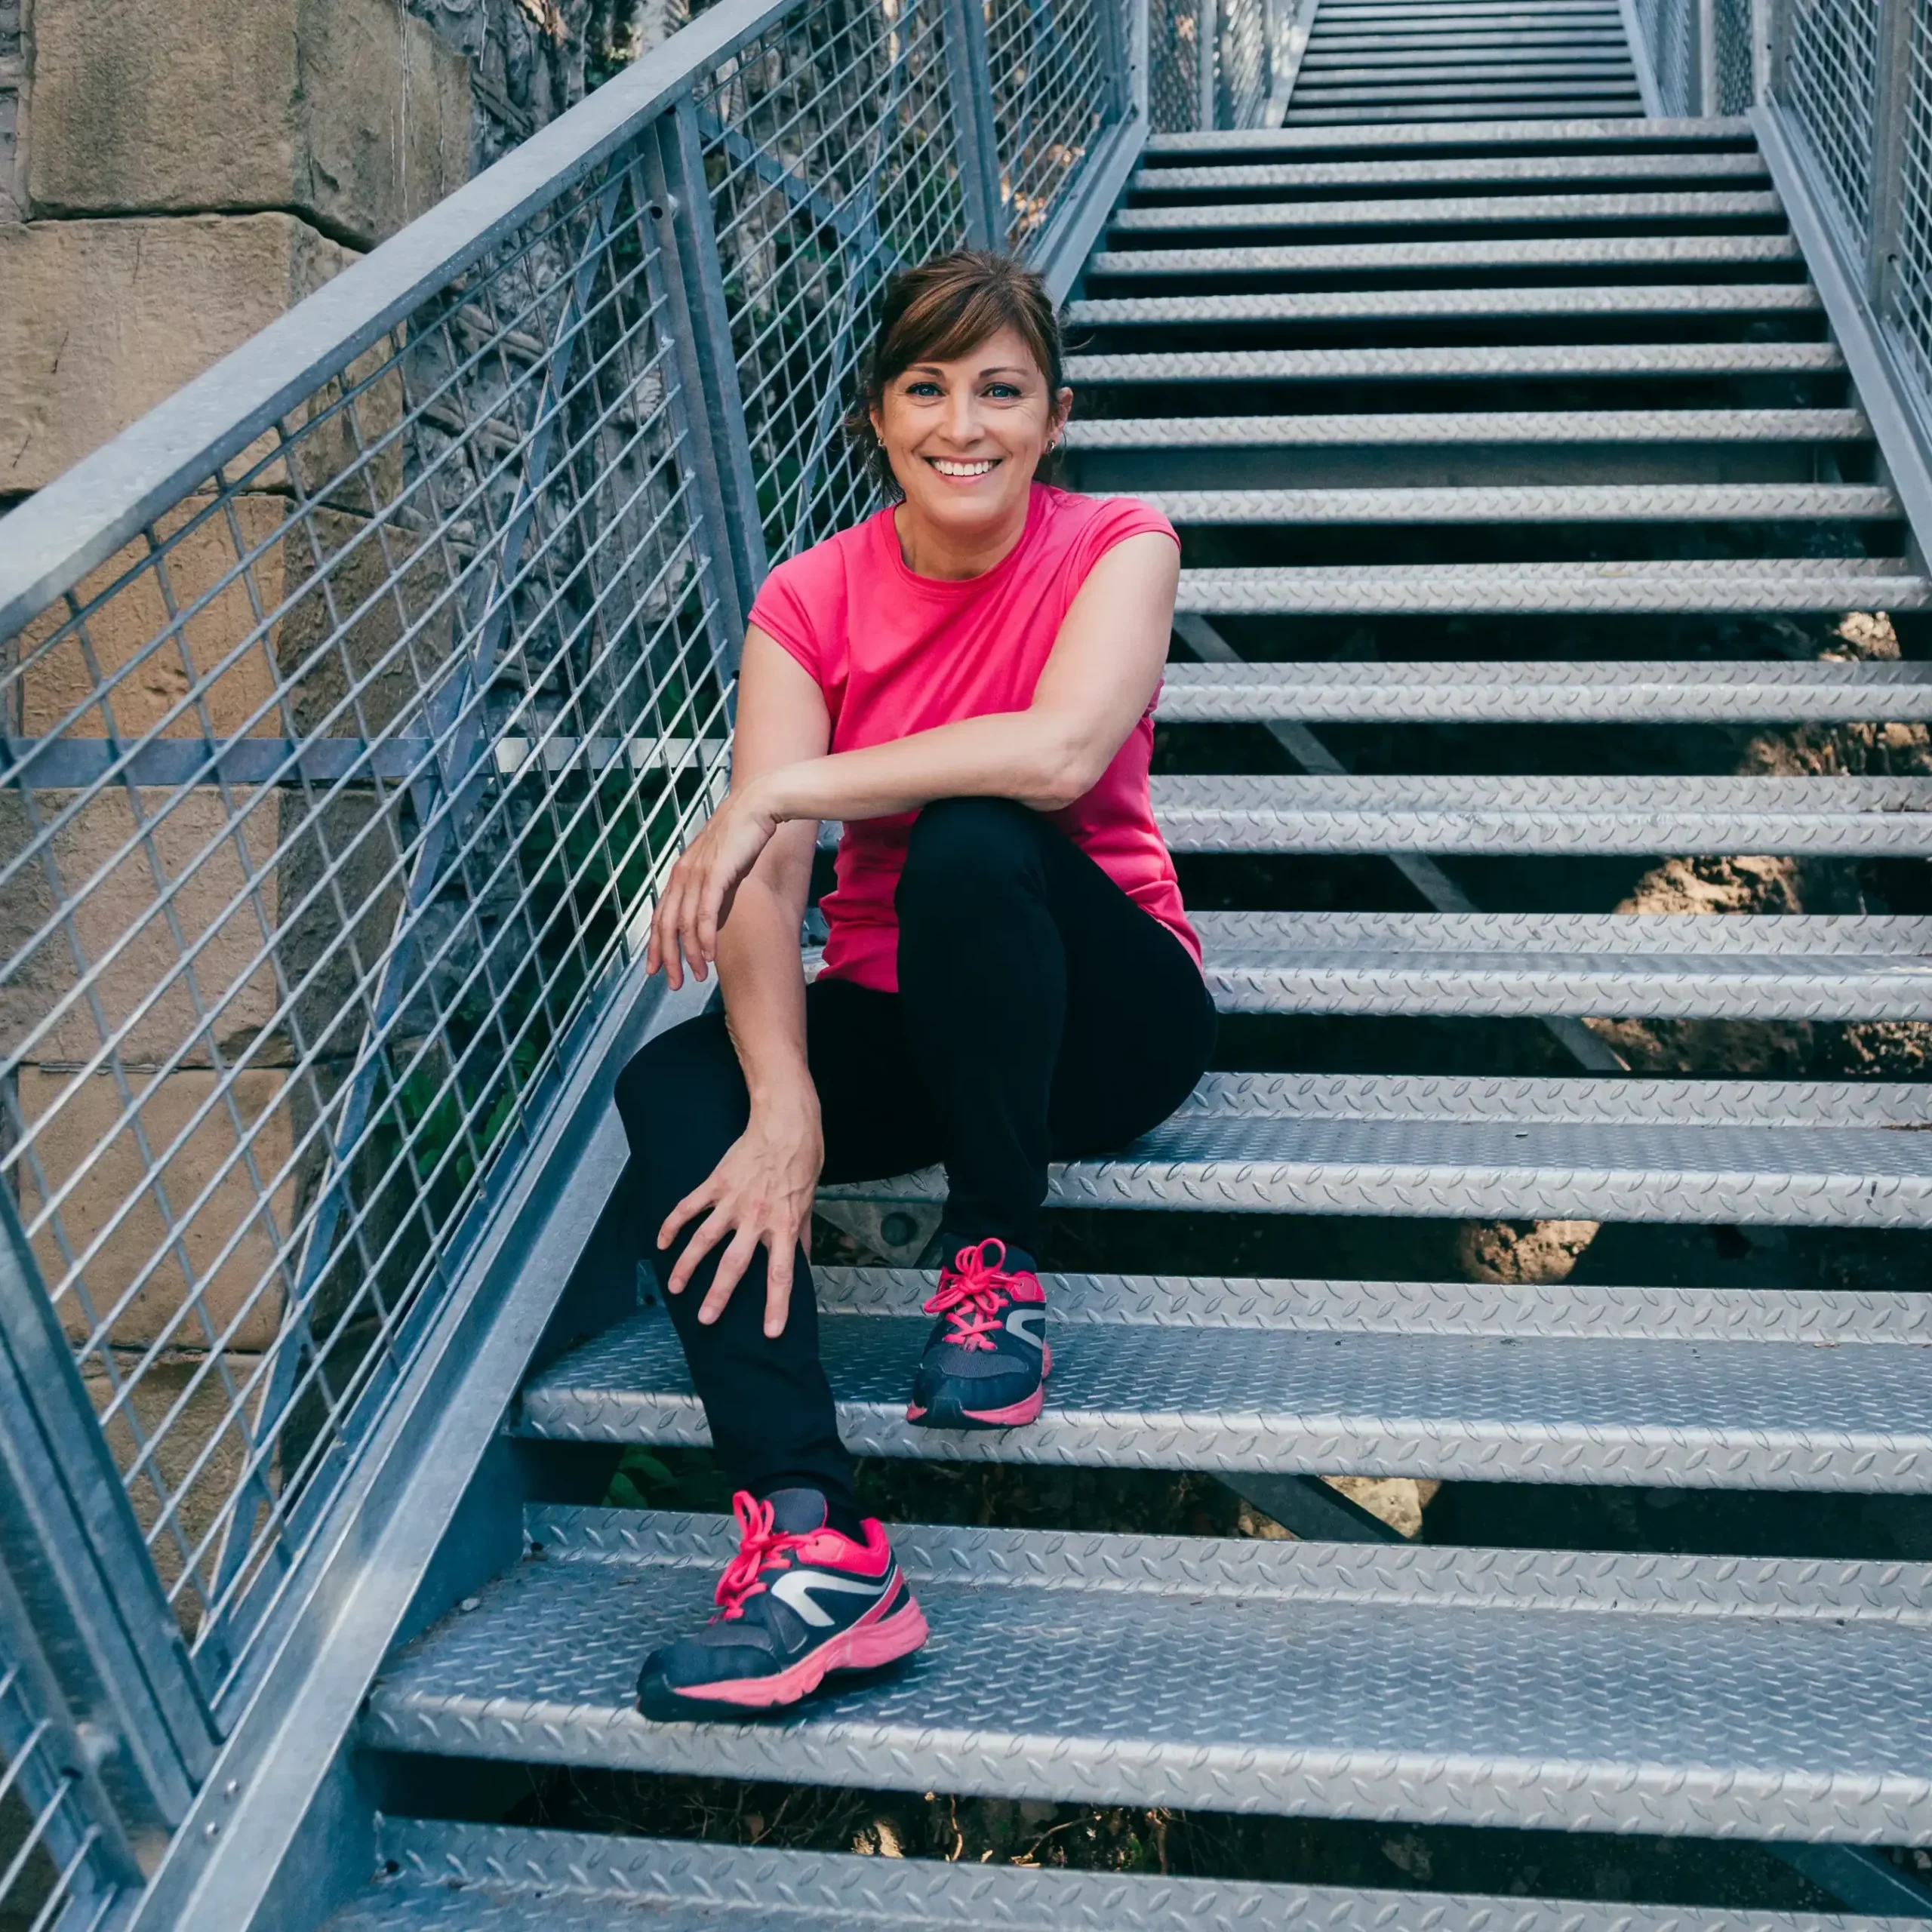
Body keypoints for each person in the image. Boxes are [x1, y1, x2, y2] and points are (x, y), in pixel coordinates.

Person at [618, 250, 1216, 1721]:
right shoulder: (809, 594)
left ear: (1053, 415)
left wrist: (786, 785)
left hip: (1104, 1016)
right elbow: (764, 879)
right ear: (877, 418)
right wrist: (783, 1097)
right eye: (926, 386)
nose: (965, 421)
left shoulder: (1119, 541)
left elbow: (1059, 753)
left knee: (969, 835)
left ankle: (994, 1257)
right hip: (912, 1016)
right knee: (669, 1082)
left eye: (1000, 389)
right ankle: (816, 1544)